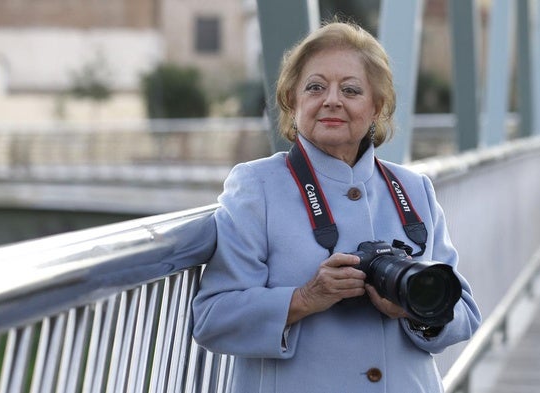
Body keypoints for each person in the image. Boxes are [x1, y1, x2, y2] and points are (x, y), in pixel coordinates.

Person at [192, 21, 481, 393]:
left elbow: (465, 312)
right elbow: (213, 318)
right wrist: (305, 298)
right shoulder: (257, 186)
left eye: (351, 89)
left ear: (377, 107)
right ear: (292, 101)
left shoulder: (413, 189)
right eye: (315, 87)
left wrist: (411, 309)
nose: (332, 100)